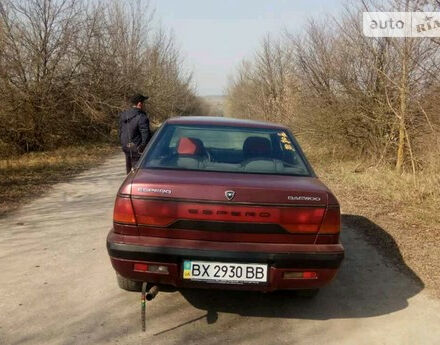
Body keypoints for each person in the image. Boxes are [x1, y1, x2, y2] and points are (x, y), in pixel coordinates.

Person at [118, 93, 151, 173]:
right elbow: (146, 136)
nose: (144, 105)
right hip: (138, 150)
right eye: (144, 103)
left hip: (126, 147)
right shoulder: (142, 117)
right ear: (139, 104)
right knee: (138, 173)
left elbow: (120, 131)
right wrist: (144, 148)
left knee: (129, 171)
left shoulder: (123, 115)